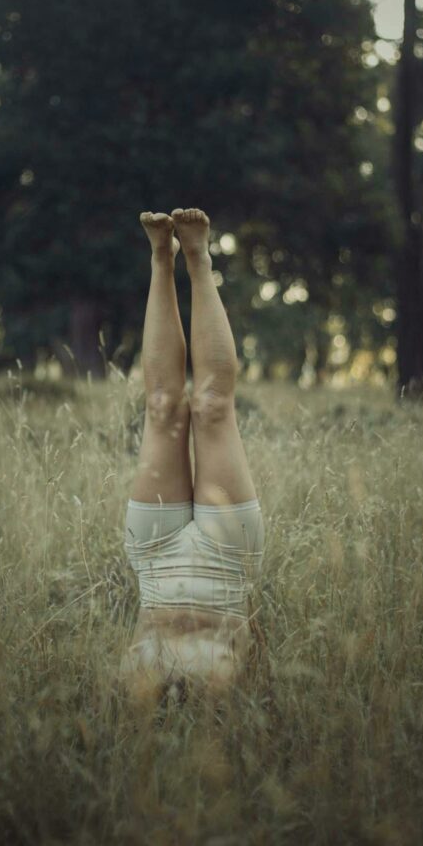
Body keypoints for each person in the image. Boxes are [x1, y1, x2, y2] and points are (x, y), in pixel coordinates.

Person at [119, 207, 265, 704]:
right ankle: (198, 258)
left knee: (163, 409)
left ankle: (163, 257)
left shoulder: (131, 714)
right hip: (226, 563)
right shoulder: (218, 716)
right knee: (212, 409)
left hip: (156, 561)